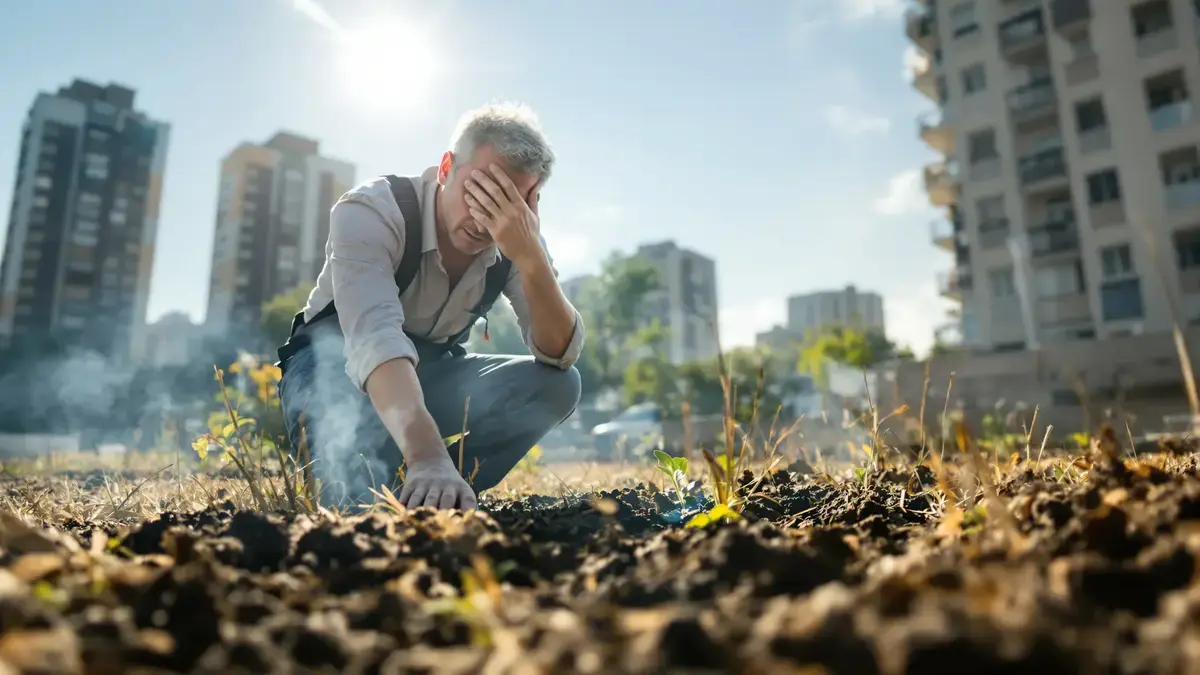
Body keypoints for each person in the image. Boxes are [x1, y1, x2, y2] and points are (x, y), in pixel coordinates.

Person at [275, 103, 584, 511]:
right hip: (331, 375)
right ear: (445, 169)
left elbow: (558, 352)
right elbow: (374, 339)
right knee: (349, 499)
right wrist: (428, 457)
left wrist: (531, 259)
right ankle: (408, 473)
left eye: (504, 203)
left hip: (430, 376)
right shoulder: (370, 211)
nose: (484, 220)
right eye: (478, 192)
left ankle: (443, 491)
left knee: (559, 384)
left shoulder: (517, 243)